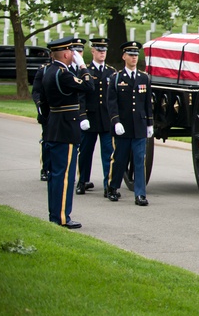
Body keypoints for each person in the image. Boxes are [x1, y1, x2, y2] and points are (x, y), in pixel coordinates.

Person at [41, 36, 95, 228]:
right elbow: (89, 86)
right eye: (72, 52)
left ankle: (54, 214)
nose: (74, 55)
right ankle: (62, 217)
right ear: (65, 54)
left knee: (56, 174)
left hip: (55, 126)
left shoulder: (49, 71)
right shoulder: (63, 74)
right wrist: (83, 67)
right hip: (66, 129)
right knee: (65, 176)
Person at [106, 41, 153, 206]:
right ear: (124, 56)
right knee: (120, 159)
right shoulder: (116, 78)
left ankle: (140, 194)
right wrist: (115, 121)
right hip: (123, 126)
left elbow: (147, 103)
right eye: (131, 55)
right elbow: (111, 103)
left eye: (136, 55)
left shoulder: (143, 78)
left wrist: (149, 124)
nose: (134, 58)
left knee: (140, 159)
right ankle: (113, 187)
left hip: (139, 125)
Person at [76, 37, 115, 194]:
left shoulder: (111, 72)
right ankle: (83, 181)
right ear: (92, 51)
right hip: (90, 118)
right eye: (99, 50)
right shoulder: (85, 71)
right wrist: (82, 116)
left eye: (104, 50)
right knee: (85, 152)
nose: (102, 53)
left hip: (106, 119)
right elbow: (81, 97)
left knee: (108, 153)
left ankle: (108, 184)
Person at [31, 61, 51, 181]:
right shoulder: (44, 70)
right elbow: (36, 91)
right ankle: (46, 168)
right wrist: (40, 106)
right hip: (47, 112)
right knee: (47, 141)